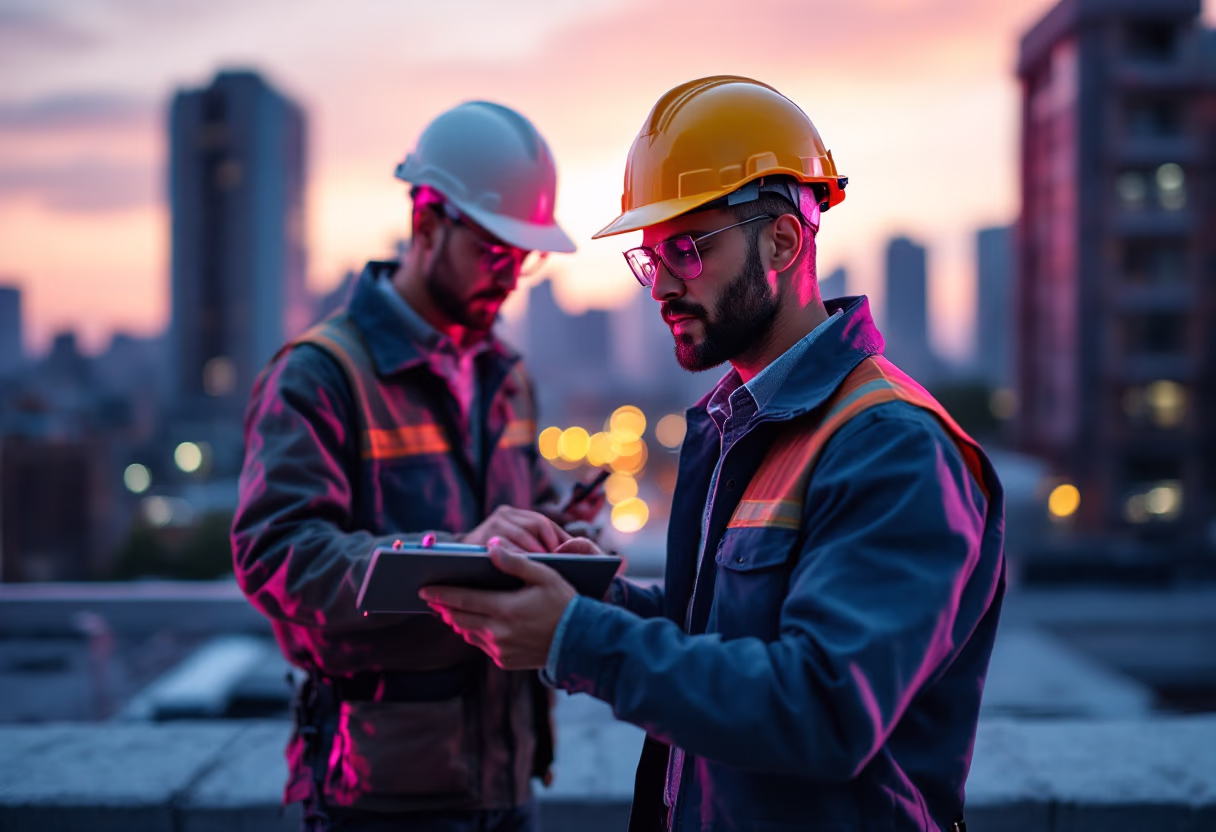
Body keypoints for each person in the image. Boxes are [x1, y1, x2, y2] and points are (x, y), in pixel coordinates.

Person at [420, 76, 1007, 832]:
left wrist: (577, 638)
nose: (661, 285)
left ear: (785, 241)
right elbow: (727, 632)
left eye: (689, 250)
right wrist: (590, 596)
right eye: (651, 257)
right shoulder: (739, 425)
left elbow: (823, 709)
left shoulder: (892, 447)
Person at [232, 100, 591, 832]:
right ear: (428, 226)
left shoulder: (507, 375)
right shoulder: (320, 376)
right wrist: (455, 557)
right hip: (381, 793)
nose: (514, 275)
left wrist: (553, 528)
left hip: (506, 774)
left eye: (526, 257)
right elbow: (277, 556)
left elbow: (516, 505)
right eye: (497, 252)